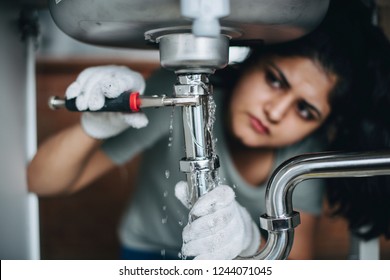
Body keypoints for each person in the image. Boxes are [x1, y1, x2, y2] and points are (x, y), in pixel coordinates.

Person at [27, 0, 390, 259]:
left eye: (305, 109)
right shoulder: (175, 93)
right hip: (148, 256)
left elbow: (298, 260)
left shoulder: (302, 149)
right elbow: (42, 181)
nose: (276, 111)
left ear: (321, 122)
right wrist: (93, 127)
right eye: (275, 80)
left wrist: (251, 246)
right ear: (248, 65)